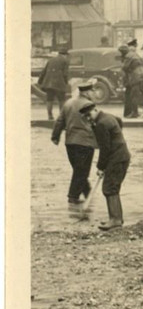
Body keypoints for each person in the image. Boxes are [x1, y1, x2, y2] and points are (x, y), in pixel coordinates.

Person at [80, 101, 130, 231]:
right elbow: (119, 122)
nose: (88, 118)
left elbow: (105, 148)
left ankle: (115, 220)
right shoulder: (108, 117)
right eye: (86, 117)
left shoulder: (101, 124)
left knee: (109, 188)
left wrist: (100, 167)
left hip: (116, 158)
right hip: (122, 156)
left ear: (95, 110)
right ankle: (117, 218)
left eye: (89, 115)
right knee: (113, 187)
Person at [51, 81, 99, 212]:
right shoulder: (88, 105)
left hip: (70, 142)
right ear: (86, 92)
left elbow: (60, 120)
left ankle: (88, 192)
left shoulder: (68, 103)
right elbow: (95, 124)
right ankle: (73, 196)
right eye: (92, 91)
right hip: (85, 142)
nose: (94, 93)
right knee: (82, 170)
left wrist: (55, 136)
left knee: (79, 168)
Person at [120, 43, 143, 118]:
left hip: (136, 76)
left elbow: (124, 67)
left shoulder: (128, 56)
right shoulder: (135, 54)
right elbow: (142, 61)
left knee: (134, 95)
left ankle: (135, 113)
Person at [38, 46, 71, 120]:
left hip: (48, 83)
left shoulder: (51, 60)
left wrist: (40, 81)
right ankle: (61, 116)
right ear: (65, 55)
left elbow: (44, 71)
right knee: (61, 100)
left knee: (49, 99)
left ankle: (50, 115)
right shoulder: (65, 61)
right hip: (59, 83)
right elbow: (65, 74)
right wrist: (66, 83)